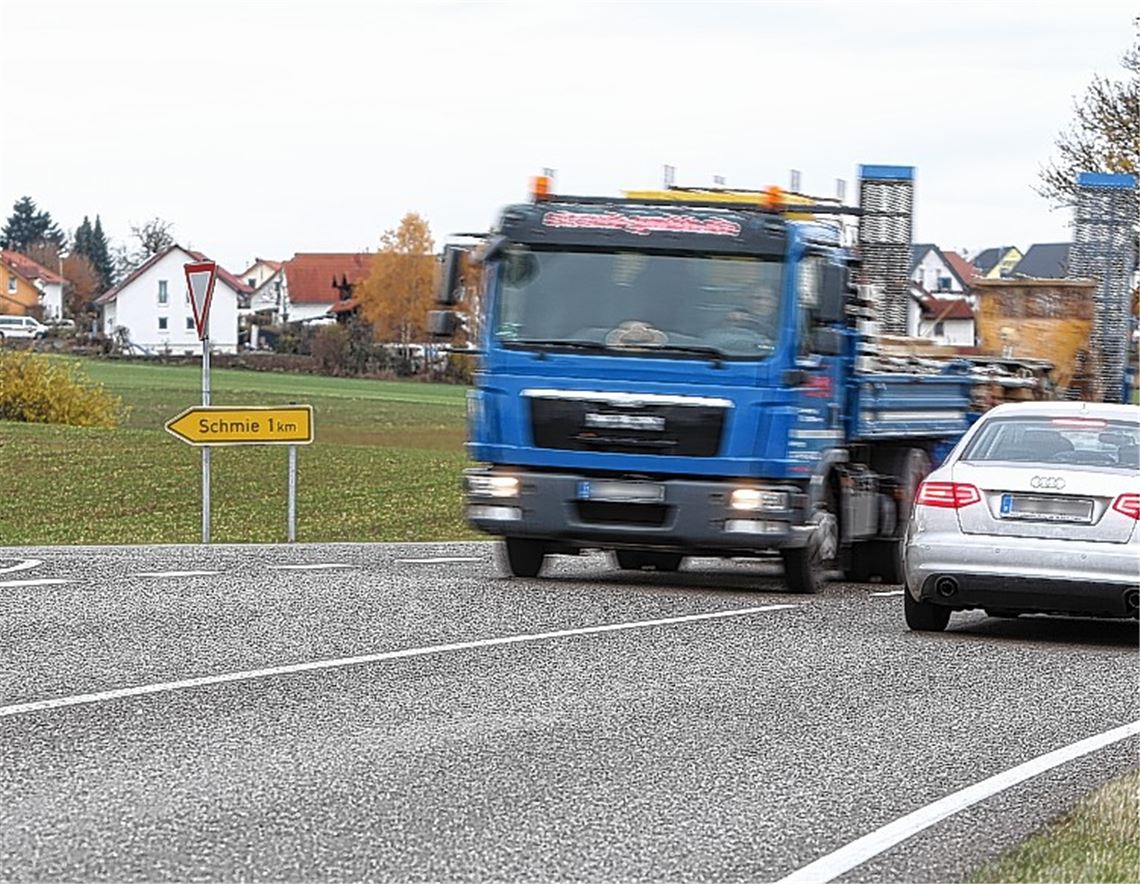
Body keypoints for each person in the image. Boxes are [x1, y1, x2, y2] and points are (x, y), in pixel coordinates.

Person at [705, 286, 777, 355]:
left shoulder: (781, 322)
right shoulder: (732, 318)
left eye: (767, 299)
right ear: (746, 301)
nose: (761, 303)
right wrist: (727, 322)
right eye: (756, 298)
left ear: (775, 302)